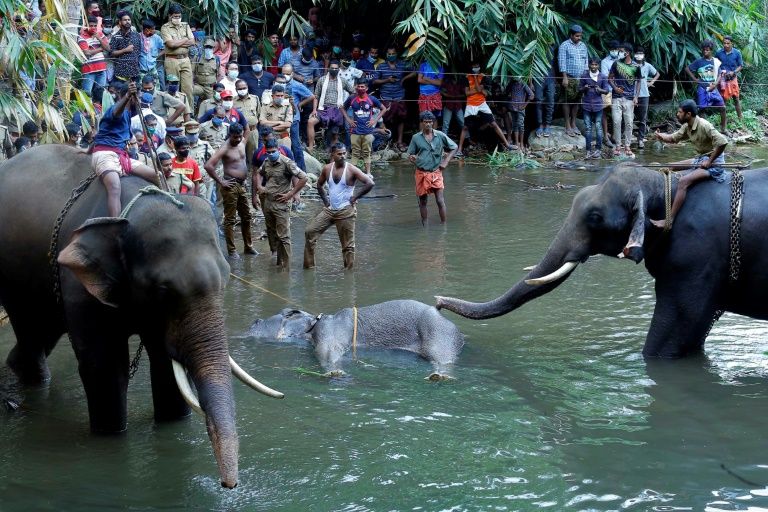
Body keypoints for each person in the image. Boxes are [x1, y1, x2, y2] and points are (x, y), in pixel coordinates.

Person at [650, 99, 728, 229]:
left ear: (688, 114)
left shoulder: (704, 125)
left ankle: (670, 220)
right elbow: (673, 138)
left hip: (715, 164)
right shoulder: (687, 126)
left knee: (683, 182)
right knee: (669, 166)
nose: (677, 114)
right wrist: (660, 136)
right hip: (700, 158)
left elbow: (723, 142)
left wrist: (710, 161)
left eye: (680, 112)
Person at [90, 80, 158, 217]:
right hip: (105, 155)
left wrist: (87, 150)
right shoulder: (114, 109)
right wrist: (127, 96)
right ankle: (115, 224)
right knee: (115, 187)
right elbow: (116, 113)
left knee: (157, 175)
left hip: (122, 156)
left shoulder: (128, 113)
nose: (139, 99)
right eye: (137, 97)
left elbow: (100, 134)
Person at [303, 143, 374, 270]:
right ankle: (309, 267)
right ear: (332, 154)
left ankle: (348, 275)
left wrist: (355, 197)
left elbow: (369, 183)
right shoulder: (327, 168)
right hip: (330, 210)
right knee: (310, 232)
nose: (342, 156)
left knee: (347, 245)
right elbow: (319, 185)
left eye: (344, 153)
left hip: (346, 210)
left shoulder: (351, 169)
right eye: (339, 154)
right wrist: (326, 201)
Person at [254, 138, 308, 269]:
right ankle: (278, 262)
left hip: (282, 204)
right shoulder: (266, 162)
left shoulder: (287, 162)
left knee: (284, 237)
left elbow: (304, 177)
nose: (271, 154)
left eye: (273, 151)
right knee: (272, 234)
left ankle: (287, 267)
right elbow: (258, 173)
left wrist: (291, 194)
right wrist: (259, 187)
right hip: (268, 202)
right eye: (269, 152)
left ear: (278, 150)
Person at [204, 123, 256, 258]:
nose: (238, 139)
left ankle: (248, 247)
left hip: (242, 185)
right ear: (229, 135)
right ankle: (232, 251)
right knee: (230, 219)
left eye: (239, 136)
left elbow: (248, 129)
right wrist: (221, 181)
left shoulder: (242, 142)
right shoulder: (224, 148)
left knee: (246, 217)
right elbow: (208, 165)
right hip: (230, 186)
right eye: (235, 137)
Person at [407, 111, 457, 225]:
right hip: (421, 172)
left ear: (433, 123)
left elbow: (454, 147)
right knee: (423, 201)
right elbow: (410, 154)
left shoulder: (440, 135)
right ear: (422, 123)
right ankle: (425, 225)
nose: (428, 124)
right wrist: (412, 158)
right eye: (425, 122)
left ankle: (444, 225)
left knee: (440, 201)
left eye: (430, 122)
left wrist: (446, 161)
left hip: (436, 172)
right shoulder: (416, 138)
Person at [457, 61, 513, 156]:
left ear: (479, 67)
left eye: (477, 66)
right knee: (465, 127)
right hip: (471, 104)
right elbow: (467, 93)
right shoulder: (466, 78)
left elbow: (479, 90)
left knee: (494, 124)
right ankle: (459, 150)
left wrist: (475, 82)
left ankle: (507, 144)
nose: (476, 68)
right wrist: (479, 91)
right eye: (474, 66)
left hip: (482, 104)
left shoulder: (483, 77)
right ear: (471, 67)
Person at [374, 46, 416, 151]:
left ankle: (399, 141)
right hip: (386, 97)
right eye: (389, 54)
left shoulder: (402, 64)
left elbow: (415, 71)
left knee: (401, 119)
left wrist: (404, 79)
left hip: (399, 96)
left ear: (396, 54)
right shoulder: (381, 66)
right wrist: (386, 80)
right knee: (385, 119)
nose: (391, 56)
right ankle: (387, 141)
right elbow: (374, 81)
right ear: (386, 55)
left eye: (393, 54)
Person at [342, 78, 386, 175]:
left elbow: (383, 109)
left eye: (362, 87)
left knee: (367, 152)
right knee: (355, 153)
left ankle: (368, 173)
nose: (360, 88)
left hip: (368, 130)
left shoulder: (372, 99)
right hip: (355, 130)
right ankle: (353, 174)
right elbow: (342, 108)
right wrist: (349, 120)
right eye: (358, 86)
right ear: (355, 87)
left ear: (366, 88)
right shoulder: (351, 98)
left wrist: (374, 120)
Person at [308, 60, 354, 150]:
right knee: (310, 122)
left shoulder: (343, 81)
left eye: (336, 68)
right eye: (332, 68)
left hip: (337, 110)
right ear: (328, 68)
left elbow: (352, 92)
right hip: (322, 109)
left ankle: (332, 152)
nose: (334, 70)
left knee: (334, 133)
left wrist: (345, 104)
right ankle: (310, 148)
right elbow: (316, 96)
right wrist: (314, 110)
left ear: (339, 69)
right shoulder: (322, 80)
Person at [160, 4, 195, 110]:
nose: (177, 18)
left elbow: (192, 41)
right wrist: (185, 40)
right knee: (173, 88)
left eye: (179, 16)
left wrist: (178, 42)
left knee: (188, 88)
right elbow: (171, 45)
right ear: (170, 16)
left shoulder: (185, 25)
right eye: (175, 16)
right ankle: (172, 112)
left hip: (185, 59)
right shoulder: (165, 28)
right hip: (172, 60)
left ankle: (189, 113)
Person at [687, 39, 727, 132]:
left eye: (707, 50)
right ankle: (705, 130)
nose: (705, 51)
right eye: (704, 50)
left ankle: (723, 129)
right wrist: (695, 79)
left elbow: (720, 74)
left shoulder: (716, 62)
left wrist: (715, 84)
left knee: (722, 107)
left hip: (714, 88)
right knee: (702, 109)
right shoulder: (699, 61)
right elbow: (687, 69)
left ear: (711, 50)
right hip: (702, 88)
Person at [608, 42, 640, 157]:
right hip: (616, 98)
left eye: (621, 51)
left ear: (628, 53)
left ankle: (627, 146)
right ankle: (618, 146)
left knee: (629, 123)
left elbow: (639, 81)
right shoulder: (616, 64)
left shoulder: (636, 66)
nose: (619, 53)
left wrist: (636, 96)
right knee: (616, 122)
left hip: (630, 98)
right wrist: (615, 88)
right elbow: (610, 79)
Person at [558, 24, 589, 137]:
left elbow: (586, 61)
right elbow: (562, 62)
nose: (579, 38)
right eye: (577, 36)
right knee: (566, 101)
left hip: (580, 77)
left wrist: (586, 77)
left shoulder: (583, 46)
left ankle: (573, 123)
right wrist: (564, 77)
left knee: (577, 101)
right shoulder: (564, 45)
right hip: (569, 77)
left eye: (580, 36)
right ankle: (567, 125)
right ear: (571, 35)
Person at [580, 57, 610, 159]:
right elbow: (579, 89)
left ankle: (598, 149)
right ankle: (588, 150)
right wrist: (584, 88)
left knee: (598, 127)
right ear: (589, 65)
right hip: (586, 105)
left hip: (598, 105)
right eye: (592, 65)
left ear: (598, 65)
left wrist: (599, 90)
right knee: (588, 128)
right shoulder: (584, 76)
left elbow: (606, 91)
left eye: (595, 65)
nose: (593, 67)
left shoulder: (603, 77)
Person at [78, 16, 110, 98]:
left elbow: (108, 48)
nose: (93, 28)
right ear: (86, 25)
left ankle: (99, 110)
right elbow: (87, 53)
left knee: (101, 95)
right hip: (89, 70)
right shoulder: (82, 36)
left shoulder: (100, 34)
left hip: (102, 69)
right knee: (87, 95)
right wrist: (101, 49)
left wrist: (99, 38)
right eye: (91, 26)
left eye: (95, 26)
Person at [716, 35, 744, 127]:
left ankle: (741, 120)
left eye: (728, 43)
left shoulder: (737, 53)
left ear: (732, 43)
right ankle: (723, 122)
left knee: (736, 98)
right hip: (723, 79)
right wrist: (721, 72)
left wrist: (734, 72)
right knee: (723, 100)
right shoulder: (719, 53)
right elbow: (716, 65)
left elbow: (741, 65)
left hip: (733, 78)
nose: (726, 45)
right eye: (724, 43)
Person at [634, 47, 659, 149]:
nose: (639, 55)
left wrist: (651, 82)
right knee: (628, 117)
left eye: (641, 53)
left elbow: (657, 74)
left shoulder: (647, 65)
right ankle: (626, 139)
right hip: (631, 94)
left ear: (644, 55)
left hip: (644, 95)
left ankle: (640, 139)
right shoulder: (631, 65)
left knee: (643, 118)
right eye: (637, 53)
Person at [110, 10, 141, 82]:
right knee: (121, 92)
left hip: (134, 72)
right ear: (120, 22)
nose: (127, 21)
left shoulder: (136, 35)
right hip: (121, 73)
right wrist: (125, 50)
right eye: (125, 20)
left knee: (135, 92)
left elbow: (139, 51)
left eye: (129, 20)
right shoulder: (115, 37)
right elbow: (112, 53)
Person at [600, 40, 621, 147]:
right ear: (609, 50)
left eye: (616, 50)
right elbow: (605, 77)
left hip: (619, 90)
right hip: (607, 90)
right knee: (604, 112)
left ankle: (613, 136)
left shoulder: (621, 60)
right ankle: (605, 137)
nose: (615, 51)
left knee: (616, 114)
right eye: (613, 50)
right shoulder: (604, 61)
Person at [533, 45, 557, 138]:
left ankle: (548, 124)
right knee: (538, 101)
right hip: (538, 77)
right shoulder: (535, 46)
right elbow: (531, 65)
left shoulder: (552, 47)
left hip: (550, 78)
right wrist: (531, 82)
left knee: (550, 101)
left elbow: (553, 64)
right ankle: (540, 125)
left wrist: (555, 80)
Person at [505, 79, 534, 150]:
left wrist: (524, 105)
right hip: (512, 107)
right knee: (515, 125)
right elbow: (506, 92)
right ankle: (516, 142)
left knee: (520, 125)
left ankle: (521, 143)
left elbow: (532, 95)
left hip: (521, 108)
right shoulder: (511, 83)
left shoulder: (523, 83)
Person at [193, 38, 220, 106]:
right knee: (188, 91)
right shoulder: (198, 57)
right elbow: (191, 71)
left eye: (210, 47)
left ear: (213, 48)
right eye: (206, 47)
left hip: (210, 87)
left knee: (212, 104)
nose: (208, 48)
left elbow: (218, 74)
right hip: (199, 86)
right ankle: (191, 112)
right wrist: (191, 83)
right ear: (203, 47)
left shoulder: (217, 59)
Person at [139, 19, 164, 85]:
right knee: (141, 88)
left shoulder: (156, 38)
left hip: (153, 68)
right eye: (153, 29)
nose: (154, 31)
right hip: (141, 70)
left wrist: (157, 56)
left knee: (156, 87)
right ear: (147, 30)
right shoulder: (138, 37)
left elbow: (165, 48)